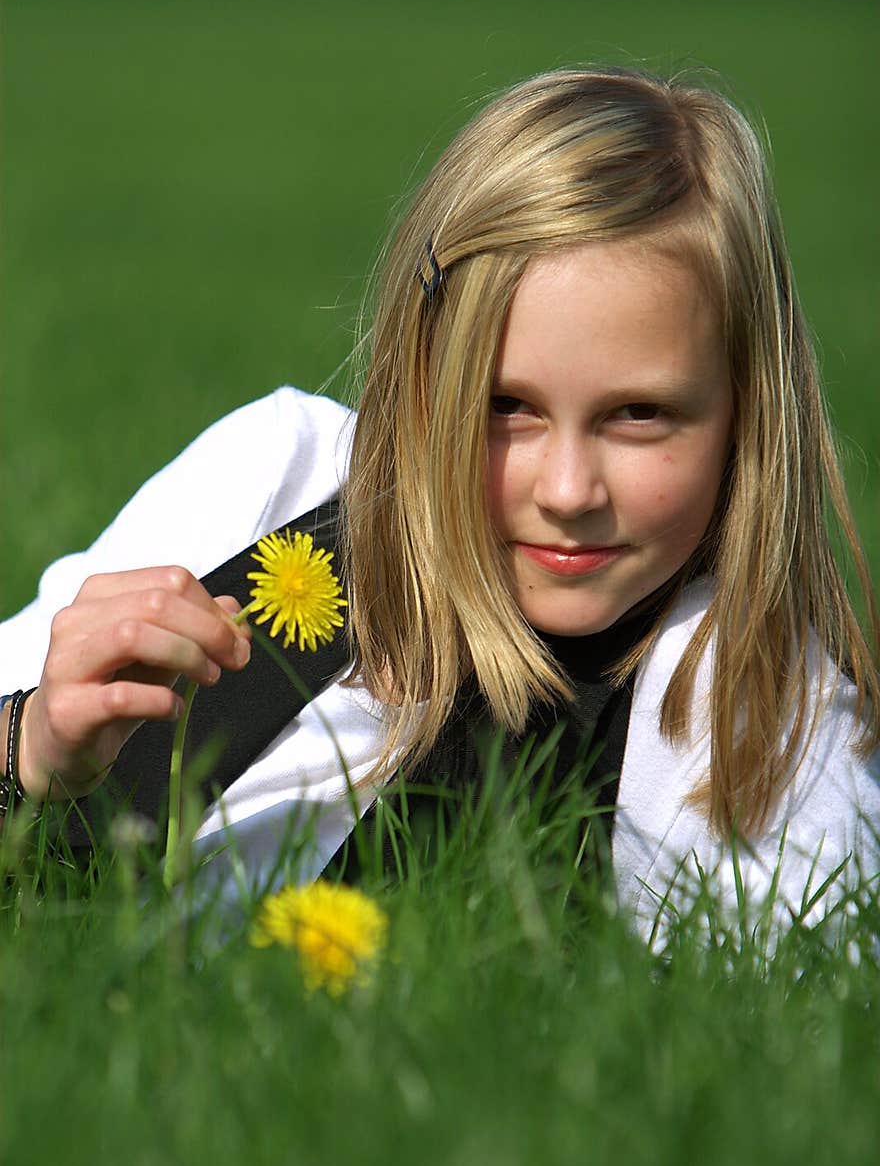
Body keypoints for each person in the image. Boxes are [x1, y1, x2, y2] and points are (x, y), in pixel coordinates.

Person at [1, 65, 878, 942]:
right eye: (506, 407)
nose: (569, 491)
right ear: (422, 379)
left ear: (748, 414)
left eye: (639, 415)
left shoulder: (746, 712)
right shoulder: (283, 480)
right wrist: (29, 744)